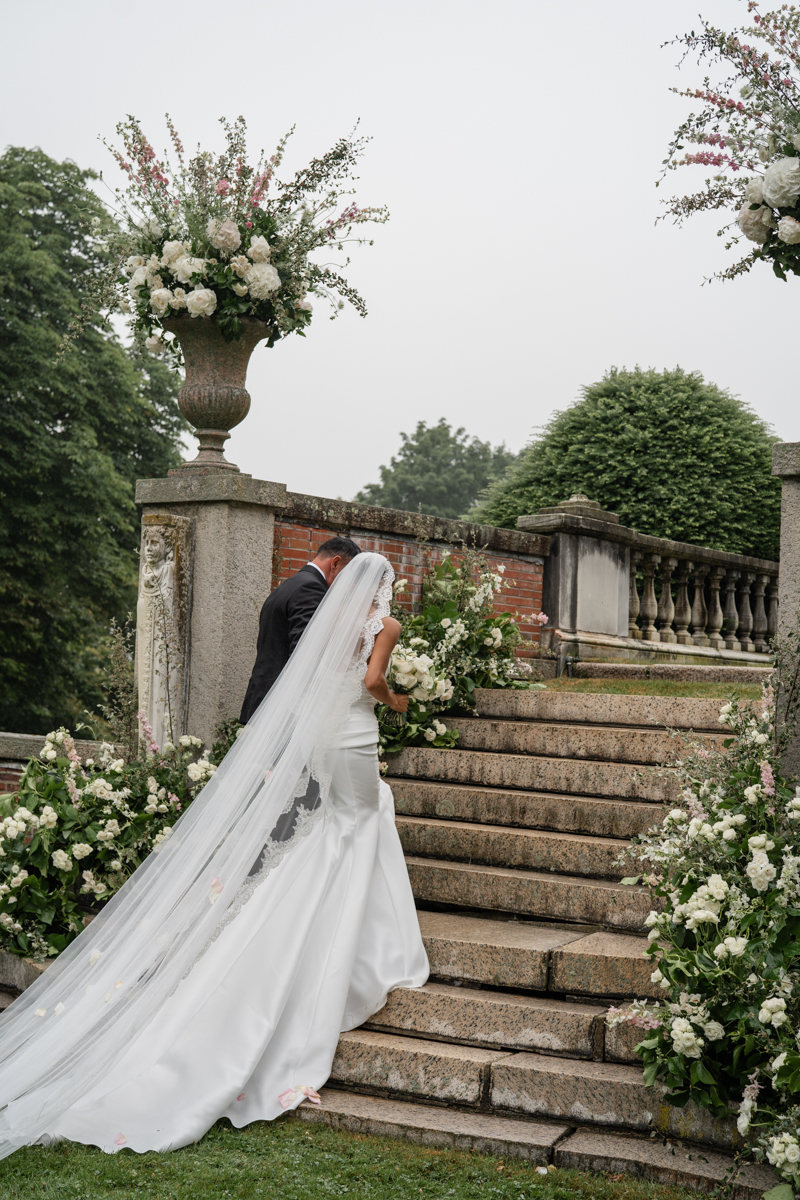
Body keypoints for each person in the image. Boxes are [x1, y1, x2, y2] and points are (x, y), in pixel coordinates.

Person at [0, 553, 428, 1158]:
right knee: (362, 819)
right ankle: (369, 944)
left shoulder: (331, 622)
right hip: (355, 731)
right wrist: (404, 699)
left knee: (342, 823)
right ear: (382, 584)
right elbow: (371, 684)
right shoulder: (386, 629)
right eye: (390, 582)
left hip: (323, 737)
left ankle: (325, 911)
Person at [239, 536, 362, 724]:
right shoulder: (311, 589)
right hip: (282, 705)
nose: (348, 586)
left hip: (264, 695)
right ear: (335, 563)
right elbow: (305, 651)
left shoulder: (291, 584)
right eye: (349, 576)